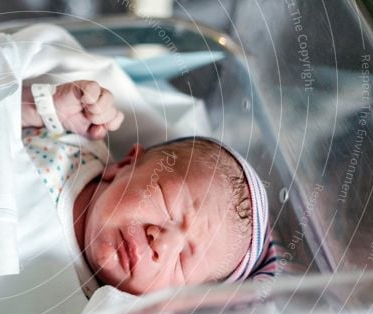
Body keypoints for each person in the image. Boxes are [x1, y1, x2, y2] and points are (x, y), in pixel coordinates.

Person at [20, 79, 269, 296]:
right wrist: (38, 106)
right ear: (126, 164)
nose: (160, 243)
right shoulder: (66, 146)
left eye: (182, 260)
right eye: (166, 202)